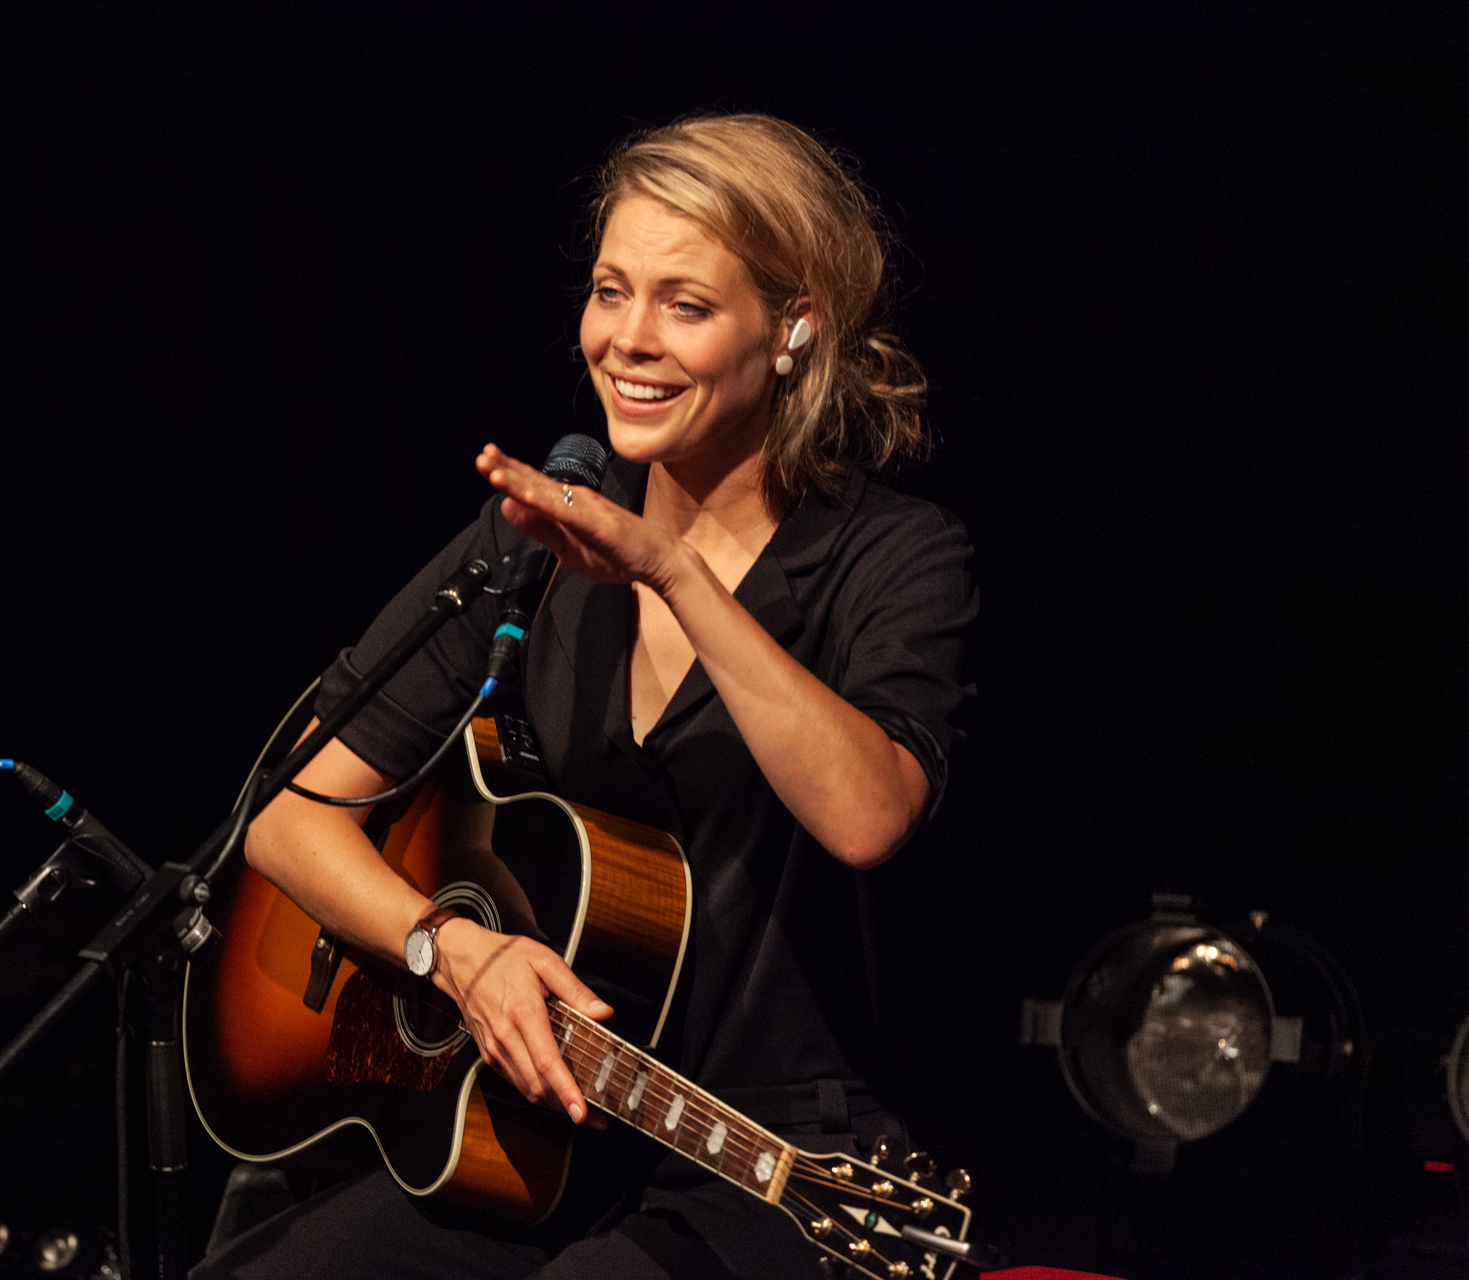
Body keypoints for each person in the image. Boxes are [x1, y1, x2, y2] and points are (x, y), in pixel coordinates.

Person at [193, 113, 977, 1279]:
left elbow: (869, 813)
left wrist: (674, 571)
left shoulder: (895, 556)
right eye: (612, 292)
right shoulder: (532, 541)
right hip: (537, 1133)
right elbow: (290, 815)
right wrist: (451, 949)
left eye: (685, 305)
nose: (628, 339)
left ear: (794, 326)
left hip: (776, 1167)